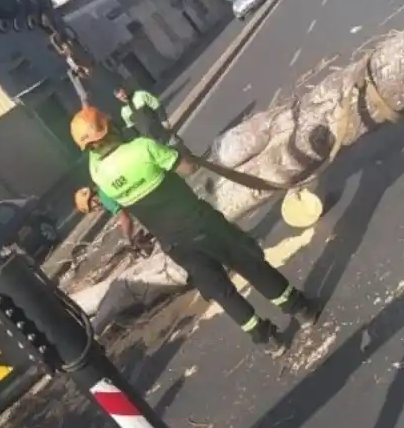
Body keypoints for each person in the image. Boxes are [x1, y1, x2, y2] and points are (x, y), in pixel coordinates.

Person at [71, 106, 320, 357]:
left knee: (220, 291)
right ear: (110, 128)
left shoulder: (99, 175)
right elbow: (188, 168)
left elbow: (97, 155)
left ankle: (267, 340)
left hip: (175, 244)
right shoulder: (142, 148)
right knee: (248, 263)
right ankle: (300, 309)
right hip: (201, 223)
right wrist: (173, 151)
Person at [75, 186, 153, 254]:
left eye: (92, 208)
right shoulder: (104, 188)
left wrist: (128, 239)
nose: (97, 210)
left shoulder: (105, 199)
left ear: (92, 200)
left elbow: (124, 217)